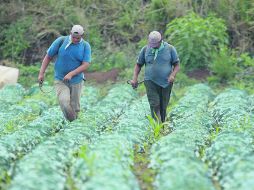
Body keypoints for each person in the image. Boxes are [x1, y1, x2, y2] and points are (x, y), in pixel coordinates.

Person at [38, 25, 91, 122]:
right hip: (60, 80)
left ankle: (73, 127)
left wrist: (71, 74)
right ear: (70, 33)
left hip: (76, 81)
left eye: (78, 38)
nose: (75, 39)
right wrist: (41, 73)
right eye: (74, 37)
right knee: (64, 102)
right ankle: (72, 123)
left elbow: (85, 64)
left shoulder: (85, 46)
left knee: (75, 108)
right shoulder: (61, 41)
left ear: (82, 35)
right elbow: (48, 57)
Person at [130, 31, 180, 123]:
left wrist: (172, 75)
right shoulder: (145, 49)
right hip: (150, 81)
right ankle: (157, 125)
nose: (152, 46)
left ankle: (162, 125)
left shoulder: (170, 49)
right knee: (154, 103)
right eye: (151, 44)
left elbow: (177, 65)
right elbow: (138, 65)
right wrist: (134, 78)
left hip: (166, 82)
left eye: (155, 44)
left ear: (161, 41)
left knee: (163, 106)